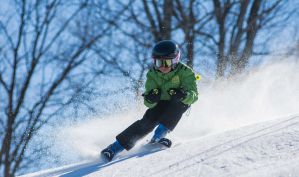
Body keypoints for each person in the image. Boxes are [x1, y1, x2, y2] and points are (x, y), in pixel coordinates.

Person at [101, 40, 198, 161]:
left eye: (166, 62)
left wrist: (184, 95)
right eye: (158, 63)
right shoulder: (152, 74)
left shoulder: (186, 72)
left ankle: (158, 137)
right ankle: (114, 148)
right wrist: (151, 98)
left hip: (178, 101)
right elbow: (148, 102)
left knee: (177, 106)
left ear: (175, 60)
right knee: (147, 122)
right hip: (160, 103)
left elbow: (194, 96)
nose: (162, 67)